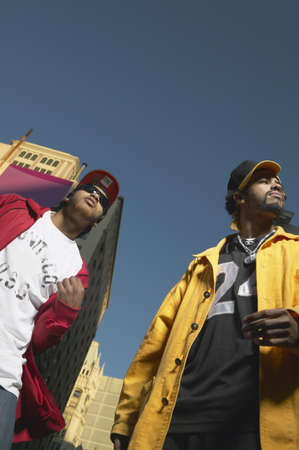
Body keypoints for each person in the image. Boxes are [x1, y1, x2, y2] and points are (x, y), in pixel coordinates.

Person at [111, 160, 299, 450]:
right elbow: (154, 344)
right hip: (175, 421)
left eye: (280, 183)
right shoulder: (202, 263)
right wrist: (125, 420)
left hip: (255, 425)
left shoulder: (295, 250)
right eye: (264, 180)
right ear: (239, 197)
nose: (277, 184)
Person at [0, 168, 119, 449]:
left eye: (102, 199)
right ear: (69, 195)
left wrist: (65, 314)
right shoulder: (17, 208)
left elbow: (40, 340)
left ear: (99, 219)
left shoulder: (77, 272)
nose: (95, 196)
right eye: (90, 189)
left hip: (3, 372)